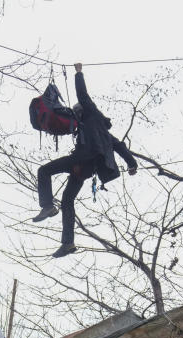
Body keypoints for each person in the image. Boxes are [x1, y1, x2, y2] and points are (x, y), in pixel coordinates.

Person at [34, 62, 138, 258]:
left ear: (82, 110)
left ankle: (47, 206)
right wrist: (132, 164)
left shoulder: (91, 114)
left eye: (77, 111)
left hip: (83, 158)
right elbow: (120, 146)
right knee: (67, 201)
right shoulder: (104, 133)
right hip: (86, 168)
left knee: (44, 171)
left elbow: (83, 95)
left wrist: (78, 73)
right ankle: (68, 244)